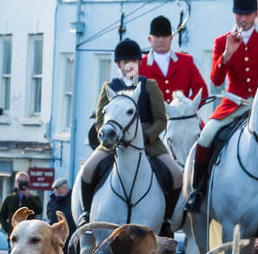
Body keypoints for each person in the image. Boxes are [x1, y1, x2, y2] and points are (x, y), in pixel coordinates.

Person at [185, 0, 258, 214]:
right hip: (234, 104)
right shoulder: (223, 41)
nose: (242, 19)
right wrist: (227, 55)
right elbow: (216, 79)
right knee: (206, 136)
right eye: (238, 14)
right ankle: (197, 192)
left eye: (247, 14)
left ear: (256, 13)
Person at [77, 38, 181, 227]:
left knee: (176, 174)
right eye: (125, 63)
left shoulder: (149, 86)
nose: (129, 66)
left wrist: (146, 136)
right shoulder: (110, 88)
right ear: (119, 64)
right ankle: (85, 213)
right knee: (88, 170)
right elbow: (101, 120)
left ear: (139, 63)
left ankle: (166, 220)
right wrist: (110, 135)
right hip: (113, 142)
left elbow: (161, 120)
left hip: (148, 142)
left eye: (133, 62)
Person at [140, 14, 207, 106]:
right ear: (149, 39)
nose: (161, 40)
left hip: (183, 117)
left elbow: (202, 91)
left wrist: (188, 108)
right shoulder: (140, 65)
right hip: (152, 119)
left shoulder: (186, 61)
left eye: (165, 36)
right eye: (157, 36)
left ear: (171, 38)